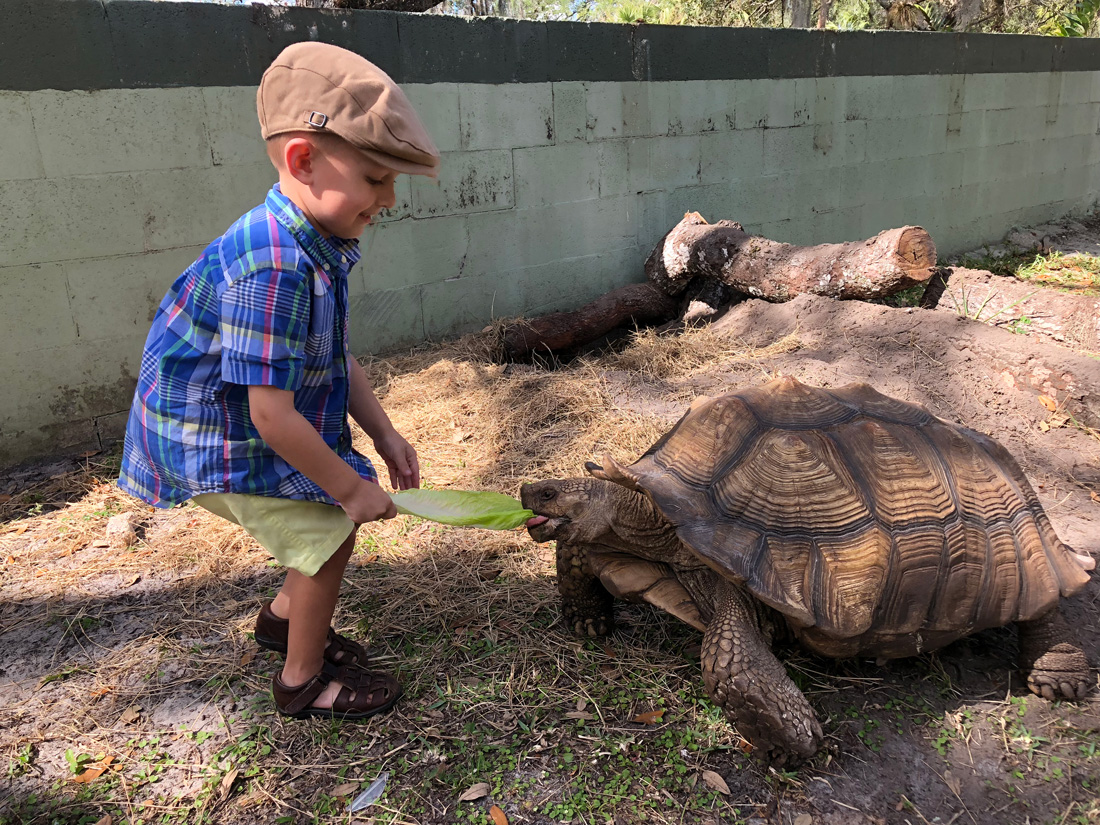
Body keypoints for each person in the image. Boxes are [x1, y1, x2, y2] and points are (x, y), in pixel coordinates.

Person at [118, 41, 440, 721]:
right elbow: (270, 416)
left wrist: (383, 433)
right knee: (327, 525)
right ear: (303, 160)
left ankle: (283, 620)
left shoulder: (319, 244)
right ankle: (300, 678)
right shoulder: (274, 263)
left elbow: (336, 355)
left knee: (328, 514)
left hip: (237, 416)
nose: (387, 200)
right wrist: (350, 487)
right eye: (376, 179)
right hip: (205, 432)